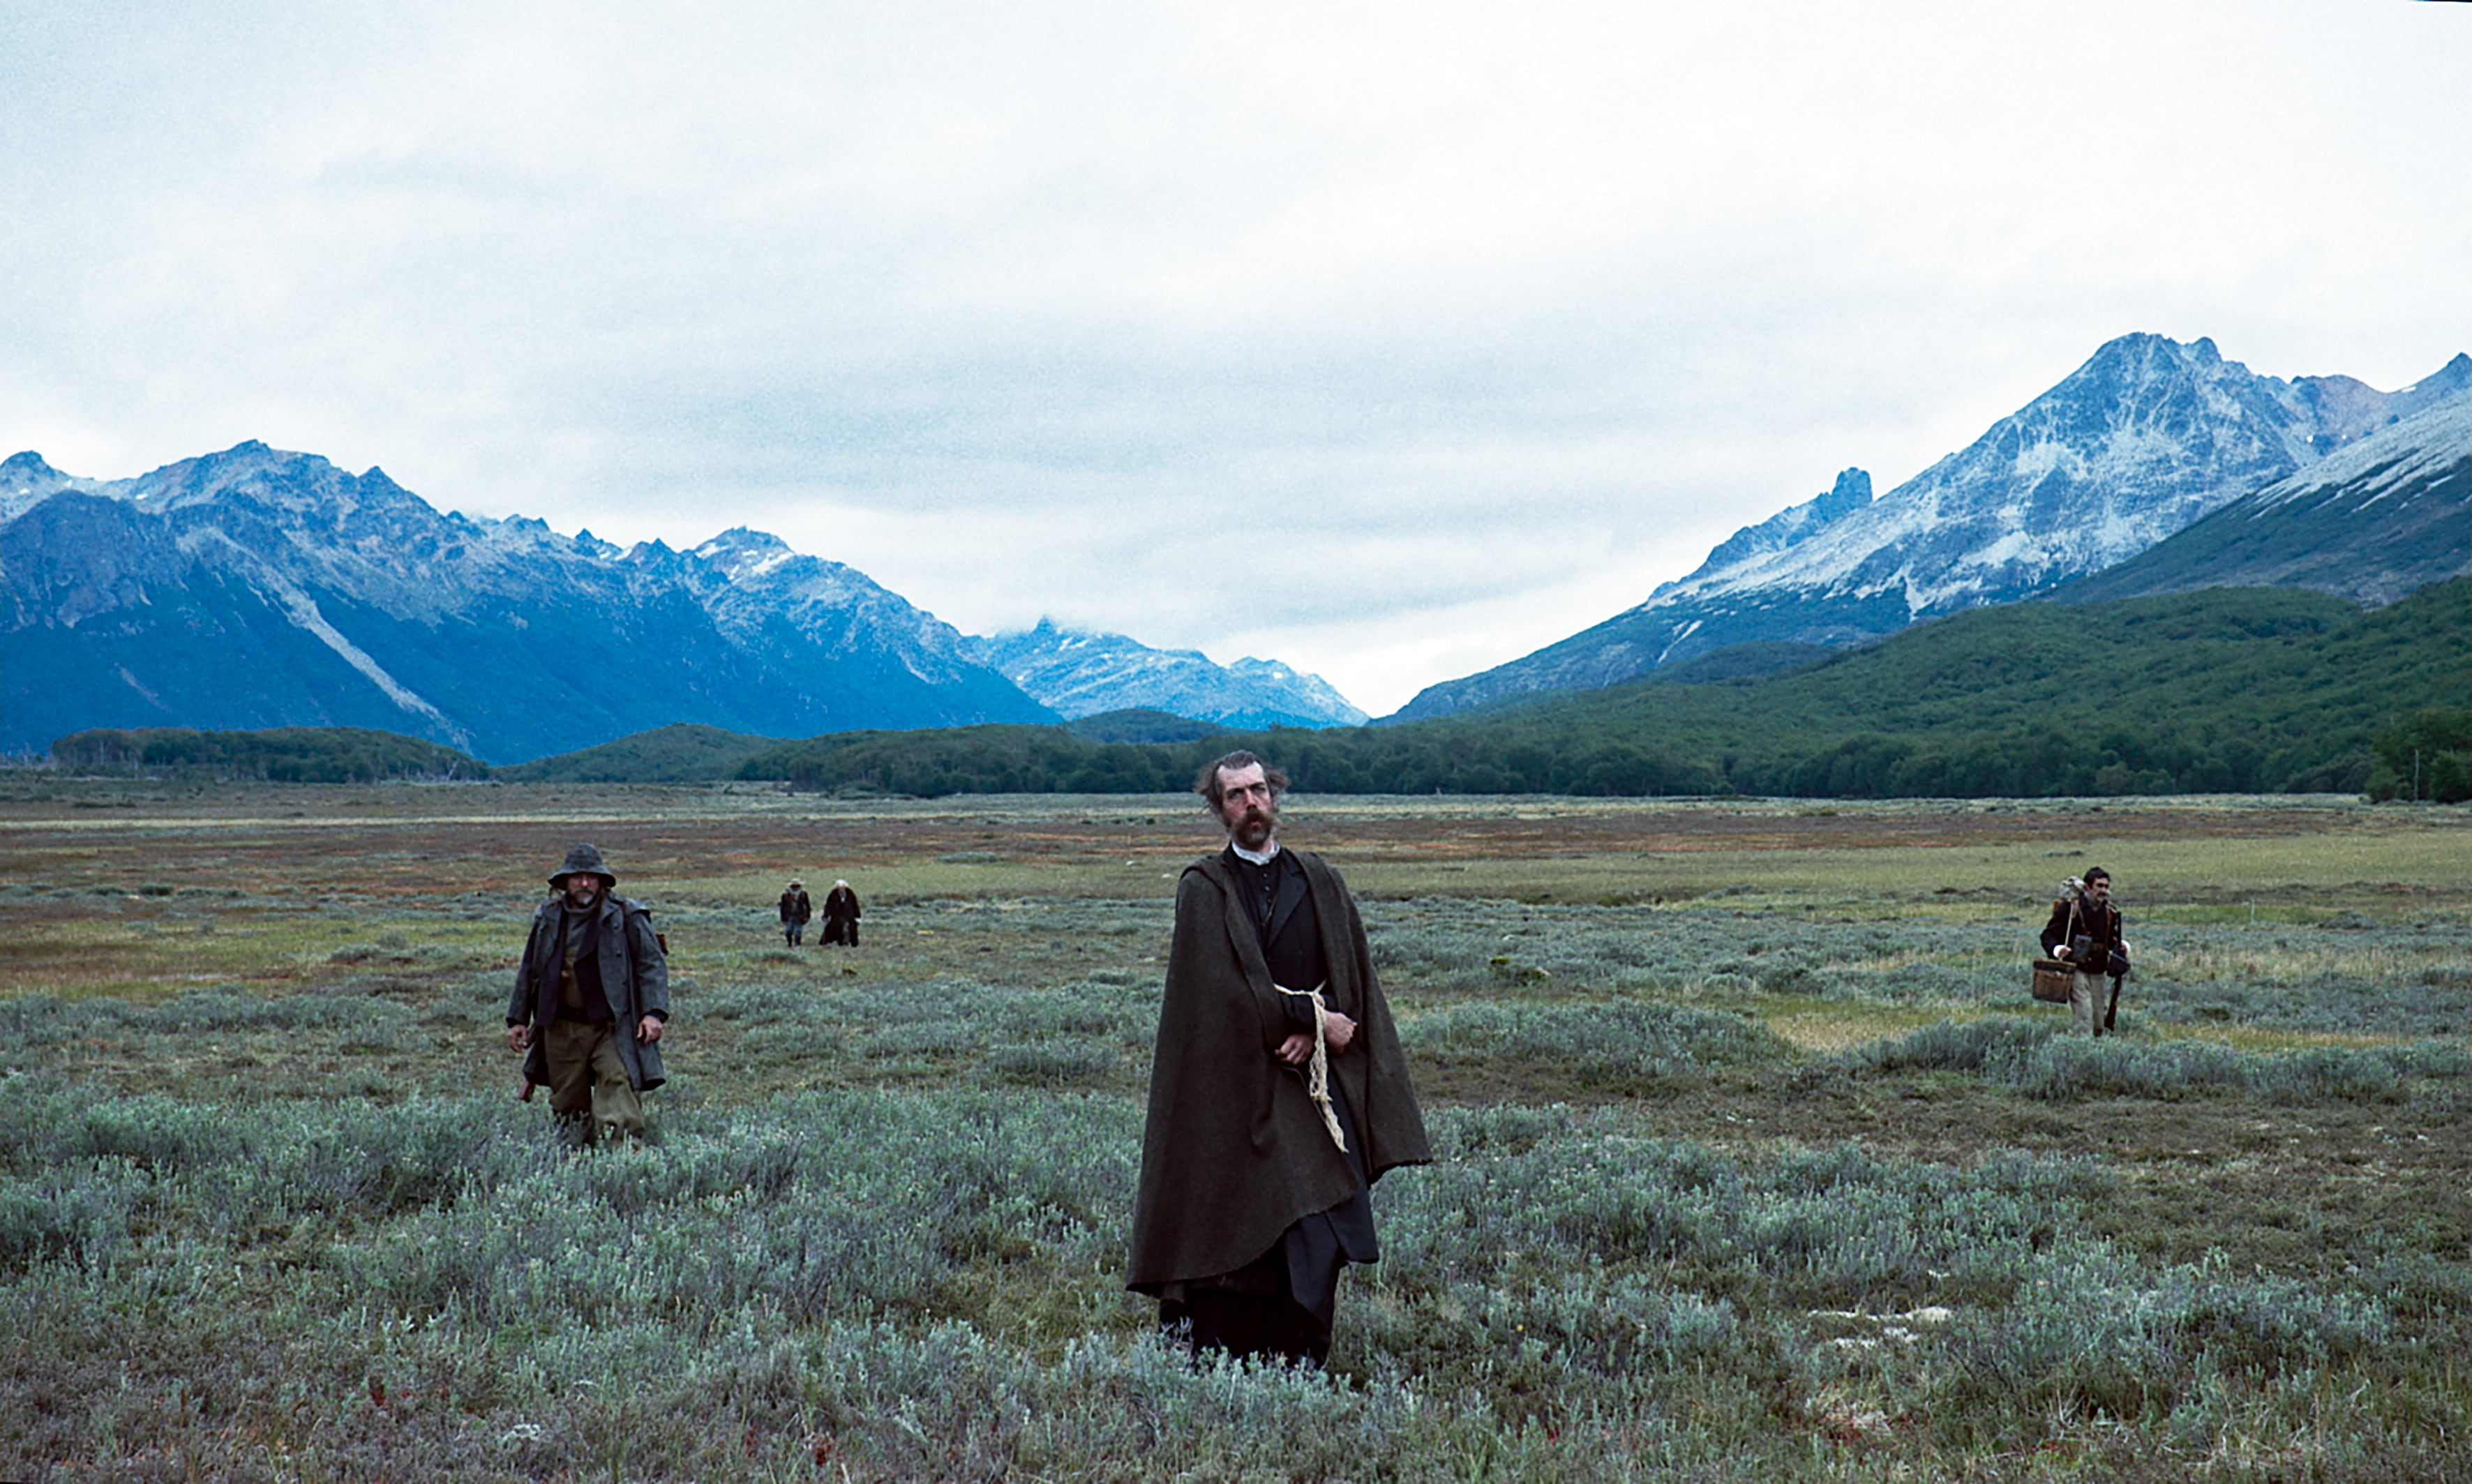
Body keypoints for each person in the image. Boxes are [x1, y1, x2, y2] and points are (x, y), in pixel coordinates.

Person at [1128, 750, 1430, 1366]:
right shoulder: (1203, 889)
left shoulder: (1318, 879)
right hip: (1234, 1085)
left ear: (1276, 795)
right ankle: (1226, 1360)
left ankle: (1299, 1358)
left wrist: (1318, 1031)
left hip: (1310, 1083)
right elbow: (1217, 993)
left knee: (1317, 1221)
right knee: (1235, 1217)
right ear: (1218, 809)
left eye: (1259, 790)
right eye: (1235, 795)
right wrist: (1304, 1019)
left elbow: (1350, 974)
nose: (1251, 804)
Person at [507, 844, 671, 1141]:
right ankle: (575, 1166)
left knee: (619, 1087)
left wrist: (653, 1013)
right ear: (564, 882)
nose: (584, 884)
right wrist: (517, 1019)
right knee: (568, 1107)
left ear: (602, 880)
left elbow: (651, 967)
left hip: (613, 1026)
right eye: (577, 877)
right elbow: (530, 968)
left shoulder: (628, 916)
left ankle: (621, 1167)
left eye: (591, 877)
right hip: (560, 1026)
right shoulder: (548, 917)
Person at [2041, 867, 2129, 1037]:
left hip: (2098, 970)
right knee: (2084, 1015)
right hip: (2076, 969)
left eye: (2106, 886)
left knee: (2098, 1022)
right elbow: (2048, 935)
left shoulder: (2109, 912)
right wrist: (2057, 950)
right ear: (2088, 887)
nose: (2103, 891)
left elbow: (2109, 940)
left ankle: (2092, 1053)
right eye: (2099, 886)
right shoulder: (2070, 908)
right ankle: (2079, 1052)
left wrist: (2120, 946)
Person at [821, 879, 861, 947]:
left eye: (842, 888)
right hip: (836, 917)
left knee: (849, 930)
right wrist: (826, 915)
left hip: (849, 916)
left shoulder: (850, 895)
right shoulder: (833, 895)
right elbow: (828, 906)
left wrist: (857, 916)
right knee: (833, 930)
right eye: (839, 888)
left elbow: (855, 906)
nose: (841, 889)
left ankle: (847, 943)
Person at [779, 878, 812, 947]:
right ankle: (789, 944)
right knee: (788, 931)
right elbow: (782, 907)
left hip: (800, 916)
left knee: (798, 932)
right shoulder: (785, 895)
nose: (795, 887)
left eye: (797, 886)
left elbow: (807, 906)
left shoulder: (803, 894)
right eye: (794, 886)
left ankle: (798, 944)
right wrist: (783, 918)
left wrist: (807, 916)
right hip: (789, 916)